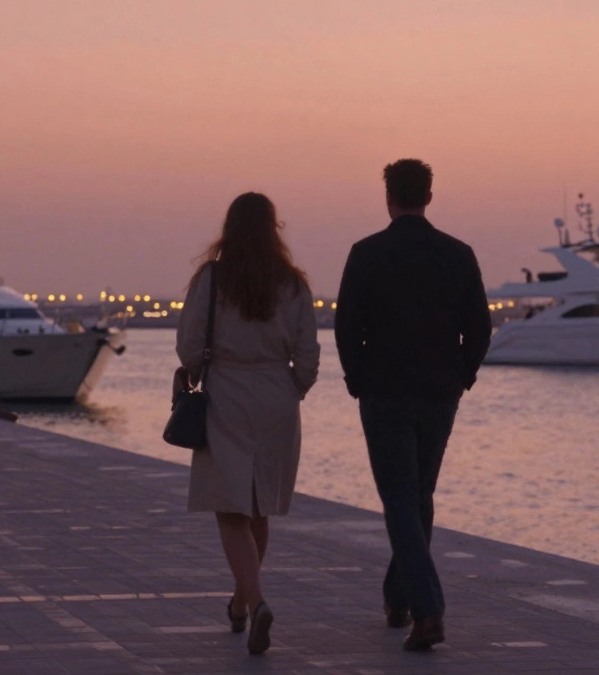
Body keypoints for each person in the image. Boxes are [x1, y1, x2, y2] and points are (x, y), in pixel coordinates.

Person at [334, 159, 492, 651]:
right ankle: (398, 596)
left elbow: (346, 328)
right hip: (439, 393)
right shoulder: (458, 254)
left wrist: (358, 378)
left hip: (384, 392)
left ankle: (427, 611)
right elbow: (480, 329)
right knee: (417, 496)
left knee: (401, 499)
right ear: (429, 195)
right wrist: (461, 376)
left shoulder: (366, 253)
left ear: (389, 197)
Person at [177, 192, 320, 655]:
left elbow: (190, 342)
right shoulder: (293, 283)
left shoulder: (213, 278)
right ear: (273, 228)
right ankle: (240, 603)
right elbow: (310, 353)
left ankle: (255, 602)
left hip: (228, 390)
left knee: (229, 507)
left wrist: (197, 374)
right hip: (277, 394)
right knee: (258, 504)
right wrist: (294, 387)